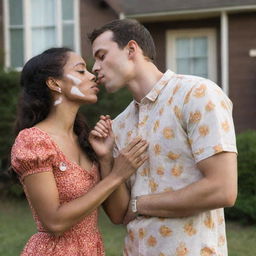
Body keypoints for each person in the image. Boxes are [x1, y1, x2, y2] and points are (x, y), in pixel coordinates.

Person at [88, 19, 238, 256]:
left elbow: (223, 189)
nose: (95, 67)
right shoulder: (118, 125)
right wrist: (106, 159)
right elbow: (119, 215)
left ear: (131, 49)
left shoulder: (197, 94)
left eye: (101, 56)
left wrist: (140, 204)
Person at [10, 47, 148, 256]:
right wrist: (118, 175)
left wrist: (105, 160)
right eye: (81, 71)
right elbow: (54, 222)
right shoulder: (33, 141)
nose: (93, 75)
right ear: (54, 83)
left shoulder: (84, 141)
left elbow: (118, 215)